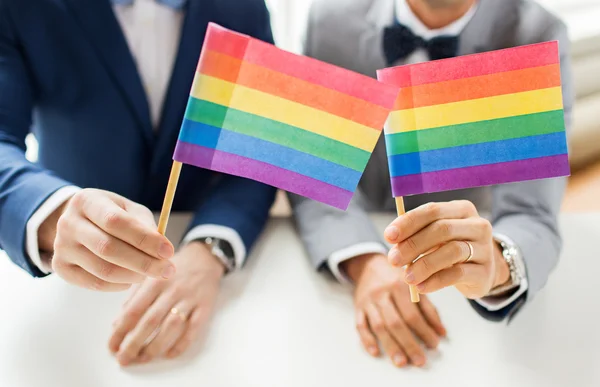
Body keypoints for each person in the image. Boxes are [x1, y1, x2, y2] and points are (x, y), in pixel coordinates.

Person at [290, 0, 573, 368]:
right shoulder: (327, 21)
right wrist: (364, 259)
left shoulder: (536, 34)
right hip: (339, 302)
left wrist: (499, 265)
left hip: (463, 314)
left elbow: (532, 214)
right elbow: (314, 168)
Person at [0, 0, 276, 366]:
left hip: (205, 269)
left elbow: (259, 150)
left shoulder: (245, 10)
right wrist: (50, 212)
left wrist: (209, 247)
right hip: (65, 287)